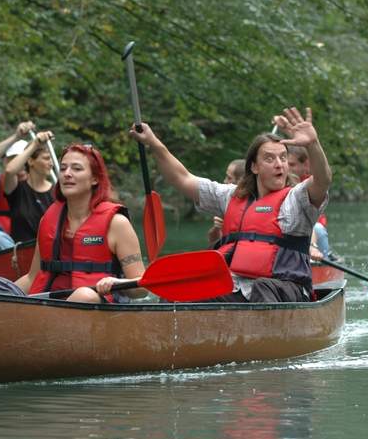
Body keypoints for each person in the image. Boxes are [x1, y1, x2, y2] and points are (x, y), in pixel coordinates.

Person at [129, 107, 332, 303]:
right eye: (269, 158)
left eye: (283, 158)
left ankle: (264, 337)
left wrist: (312, 145)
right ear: (254, 166)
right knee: (177, 295)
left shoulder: (297, 199)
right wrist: (154, 143)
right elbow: (182, 178)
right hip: (239, 289)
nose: (279, 164)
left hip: (287, 289)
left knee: (263, 287)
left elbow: (323, 181)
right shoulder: (230, 197)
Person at [0, 143, 146, 303]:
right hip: (51, 305)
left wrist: (116, 283)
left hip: (96, 305)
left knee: (84, 295)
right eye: (63, 168)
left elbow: (141, 288)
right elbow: (32, 277)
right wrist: (0, 297)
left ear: (95, 179)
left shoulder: (117, 224)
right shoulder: (48, 219)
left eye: (77, 169)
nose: (67, 173)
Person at [0, 121, 33, 252]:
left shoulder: (39, 184)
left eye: (20, 158)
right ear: (5, 161)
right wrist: (17, 137)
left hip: (28, 242)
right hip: (1, 243)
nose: (18, 163)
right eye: (12, 158)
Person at [2, 131, 56, 245]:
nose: (51, 164)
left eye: (51, 159)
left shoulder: (57, 192)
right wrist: (35, 144)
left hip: (46, 251)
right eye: (46, 158)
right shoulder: (17, 189)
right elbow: (9, 170)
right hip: (20, 253)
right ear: (31, 161)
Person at [287, 145, 333, 261]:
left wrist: (312, 247)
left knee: (317, 228)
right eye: (285, 163)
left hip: (313, 231)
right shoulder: (276, 182)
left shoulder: (312, 186)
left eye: (292, 165)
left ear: (305, 165)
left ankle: (323, 259)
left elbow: (310, 222)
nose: (287, 168)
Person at [207, 159, 245, 246]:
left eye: (229, 178)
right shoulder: (226, 202)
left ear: (241, 181)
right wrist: (217, 228)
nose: (224, 181)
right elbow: (212, 244)